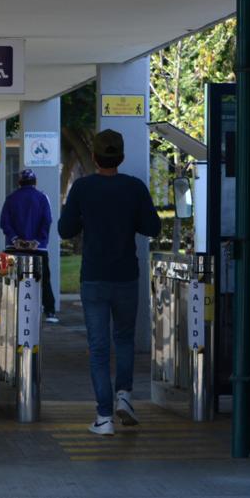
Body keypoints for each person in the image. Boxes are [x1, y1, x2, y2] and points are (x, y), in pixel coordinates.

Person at [58, 129, 160, 436]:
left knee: (99, 347)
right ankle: (124, 396)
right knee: (124, 339)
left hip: (94, 277)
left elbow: (65, 230)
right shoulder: (134, 187)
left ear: (94, 157)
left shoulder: (83, 188)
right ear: (122, 157)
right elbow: (153, 227)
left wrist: (86, 218)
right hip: (126, 275)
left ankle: (104, 417)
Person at [0, 169, 58, 323]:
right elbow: (47, 220)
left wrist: (15, 239)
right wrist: (37, 241)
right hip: (38, 248)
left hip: (14, 247)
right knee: (44, 280)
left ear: (19, 182)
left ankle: (8, 312)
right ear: (35, 182)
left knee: (11, 281)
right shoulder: (42, 197)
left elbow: (4, 222)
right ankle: (50, 312)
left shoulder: (10, 198)